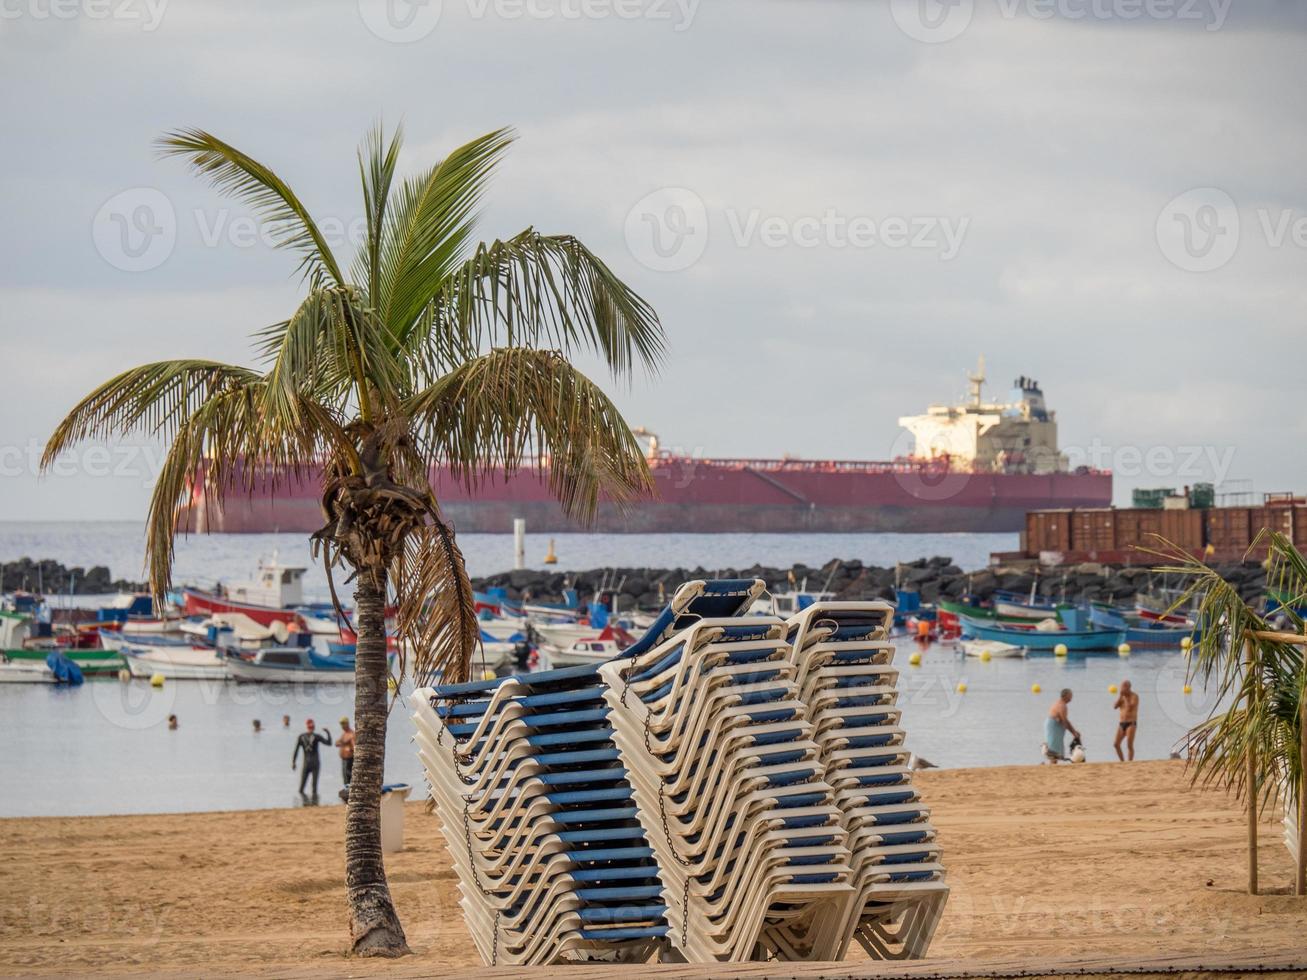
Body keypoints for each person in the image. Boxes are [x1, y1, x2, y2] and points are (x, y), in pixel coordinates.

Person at [292, 718, 332, 798]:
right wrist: (328, 732)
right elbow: (329, 743)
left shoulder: (301, 737)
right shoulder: (316, 736)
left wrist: (293, 762)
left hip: (307, 763)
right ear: (313, 727)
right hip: (314, 763)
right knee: (313, 787)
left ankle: (305, 802)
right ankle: (312, 803)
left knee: (303, 787)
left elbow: (296, 750)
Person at [1043, 689, 1081, 763]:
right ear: (1066, 696)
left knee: (1055, 748)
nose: (1071, 698)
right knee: (1053, 749)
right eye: (1070, 696)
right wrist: (1074, 733)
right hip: (1053, 727)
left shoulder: (1061, 704)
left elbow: (1065, 721)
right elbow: (1065, 721)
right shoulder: (1062, 706)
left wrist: (1074, 732)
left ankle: (1053, 764)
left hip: (1054, 725)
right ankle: (1053, 765)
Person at [1114, 679, 1140, 761]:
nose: (1122, 689)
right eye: (1121, 687)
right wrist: (1120, 697)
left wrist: (1125, 698)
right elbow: (1115, 706)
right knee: (1116, 744)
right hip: (1121, 724)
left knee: (1129, 745)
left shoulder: (1134, 696)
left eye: (1124, 687)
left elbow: (1129, 708)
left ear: (1128, 687)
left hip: (1131, 723)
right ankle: (1122, 762)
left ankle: (1130, 762)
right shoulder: (1122, 697)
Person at [337, 717, 356, 787]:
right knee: (345, 776)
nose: (342, 726)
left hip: (349, 758)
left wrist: (349, 747)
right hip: (344, 759)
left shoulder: (351, 734)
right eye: (341, 724)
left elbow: (354, 746)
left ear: (347, 724)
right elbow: (337, 743)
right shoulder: (344, 734)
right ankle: (346, 789)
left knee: (348, 775)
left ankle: (349, 790)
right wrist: (344, 743)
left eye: (343, 724)